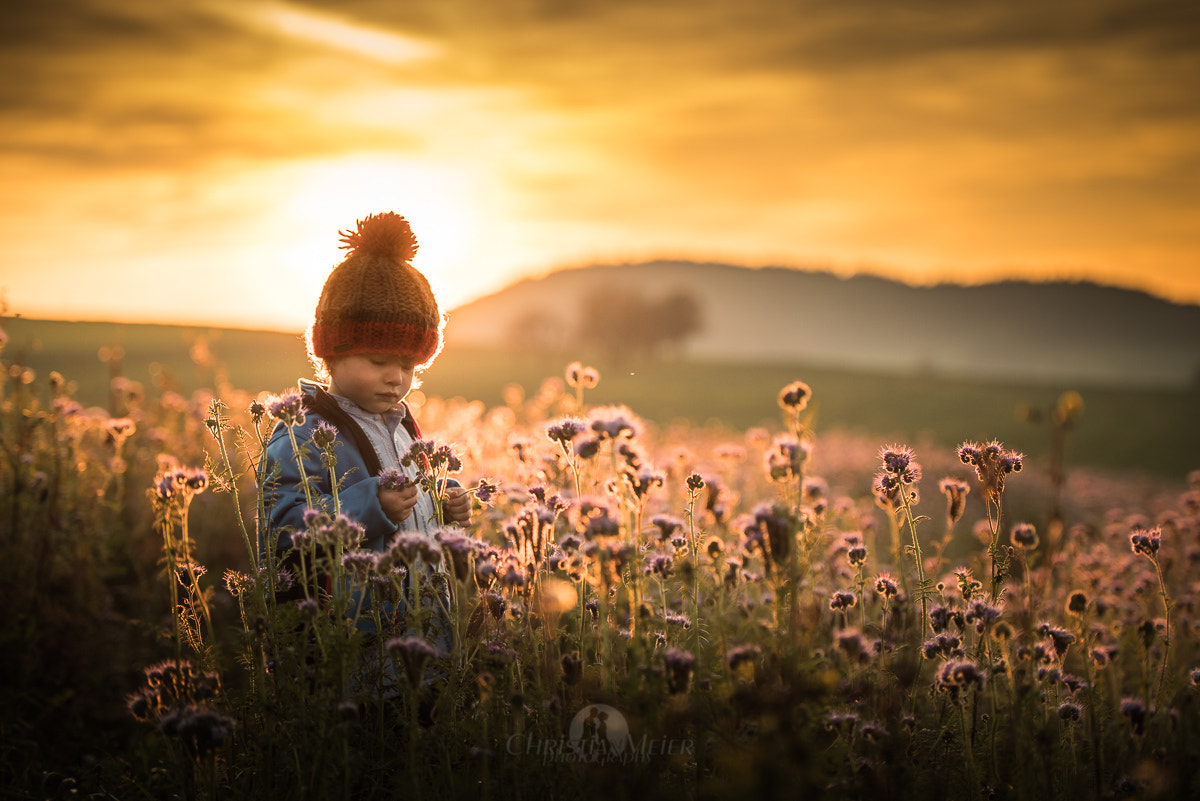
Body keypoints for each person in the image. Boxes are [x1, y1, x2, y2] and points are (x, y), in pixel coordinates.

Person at [261, 211, 472, 650]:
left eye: (409, 365)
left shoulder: (400, 425)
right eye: (379, 362)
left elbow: (408, 501)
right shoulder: (302, 433)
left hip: (423, 631)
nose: (396, 378)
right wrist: (369, 504)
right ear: (331, 354)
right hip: (353, 647)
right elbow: (281, 530)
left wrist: (440, 498)